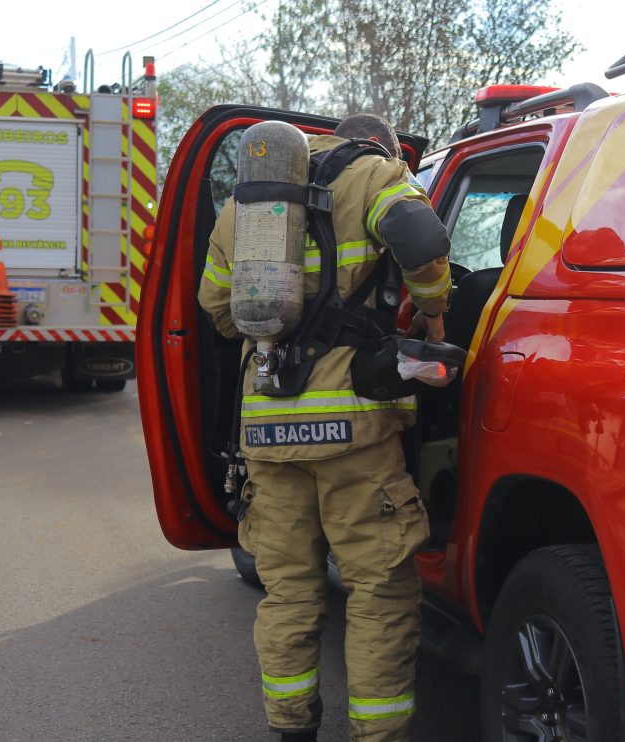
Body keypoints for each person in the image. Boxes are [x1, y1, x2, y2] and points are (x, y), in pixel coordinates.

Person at [199, 113, 451, 742]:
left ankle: (292, 729)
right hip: (353, 432)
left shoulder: (247, 204)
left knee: (288, 594)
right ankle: (376, 734)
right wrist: (433, 308)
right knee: (379, 590)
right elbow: (421, 236)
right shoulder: (376, 174)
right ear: (383, 145)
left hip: (268, 432)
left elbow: (216, 311)